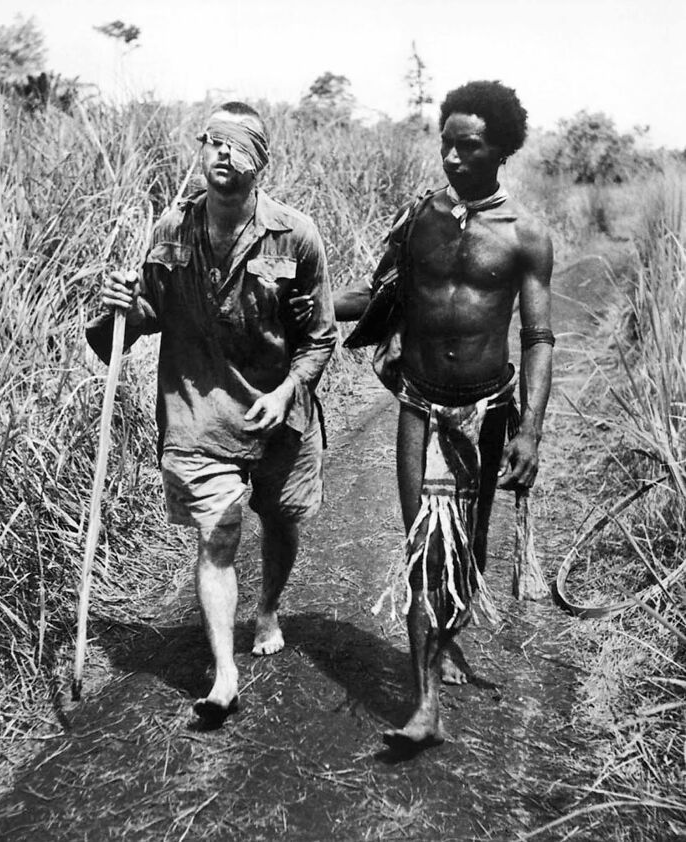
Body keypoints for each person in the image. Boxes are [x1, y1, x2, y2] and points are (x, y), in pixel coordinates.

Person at [87, 102, 337, 725]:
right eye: (213, 141)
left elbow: (320, 336)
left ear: (261, 160)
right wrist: (119, 306)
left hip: (277, 409)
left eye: (238, 143)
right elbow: (141, 318)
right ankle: (225, 673)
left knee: (281, 520)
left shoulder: (295, 235)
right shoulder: (171, 229)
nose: (223, 153)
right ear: (201, 151)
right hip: (199, 410)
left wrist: (287, 393)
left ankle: (270, 607)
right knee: (219, 532)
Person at [333, 80, 554, 749]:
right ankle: (425, 703)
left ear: (501, 150)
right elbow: (372, 298)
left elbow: (538, 338)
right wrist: (300, 296)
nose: (453, 159)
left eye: (470, 146)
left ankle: (446, 640)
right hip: (420, 405)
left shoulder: (525, 237)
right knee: (425, 549)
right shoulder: (416, 221)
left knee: (468, 554)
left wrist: (532, 433)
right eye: (446, 144)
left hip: (487, 412)